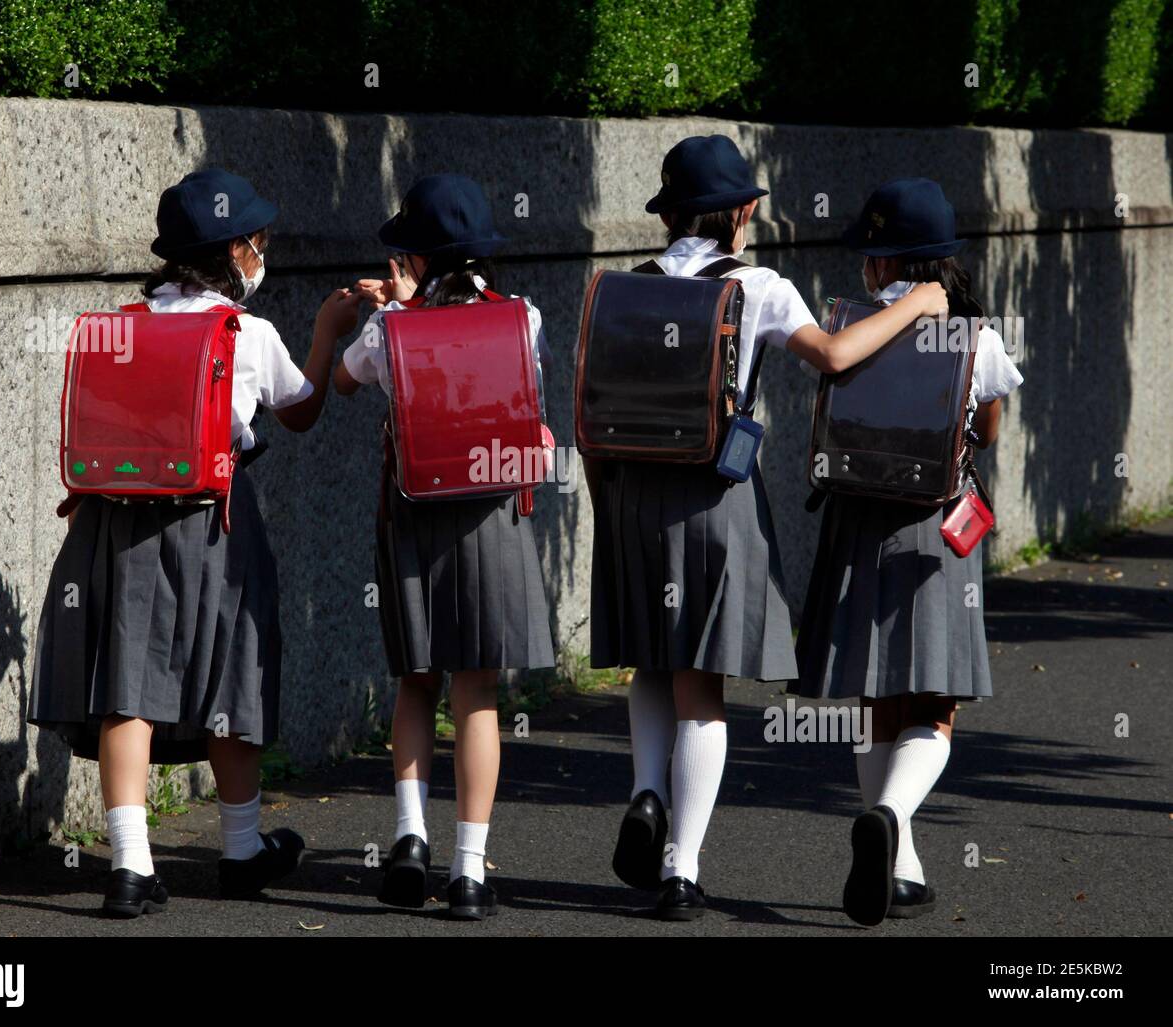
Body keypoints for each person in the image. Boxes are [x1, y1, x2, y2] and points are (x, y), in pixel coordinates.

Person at [592, 137, 950, 920]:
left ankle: (647, 792)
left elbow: (589, 413)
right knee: (703, 684)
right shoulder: (760, 286)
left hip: (628, 495)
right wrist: (918, 304)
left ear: (670, 212)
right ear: (743, 212)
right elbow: (833, 356)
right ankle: (682, 867)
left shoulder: (617, 286)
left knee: (650, 664)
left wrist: (605, 504)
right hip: (716, 494)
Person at [29, 168, 364, 917]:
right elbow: (301, 410)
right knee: (229, 676)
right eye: (259, 242)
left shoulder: (123, 322)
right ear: (239, 248)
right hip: (215, 518)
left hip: (116, 518)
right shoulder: (249, 332)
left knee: (128, 683)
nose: (262, 252)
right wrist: (326, 334)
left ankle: (130, 866)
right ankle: (242, 850)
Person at [793, 177, 1024, 926]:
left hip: (857, 522)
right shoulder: (975, 335)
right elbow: (988, 432)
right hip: (934, 529)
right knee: (936, 703)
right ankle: (890, 819)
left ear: (882, 265)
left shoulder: (850, 325)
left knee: (874, 697)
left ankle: (900, 869)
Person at [331, 174, 555, 921]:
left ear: (418, 260)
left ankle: (407, 837)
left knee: (417, 679)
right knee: (478, 691)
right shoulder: (522, 317)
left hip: (411, 513)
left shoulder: (387, 329)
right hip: (491, 513)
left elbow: (345, 380)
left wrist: (389, 308)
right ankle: (467, 871)